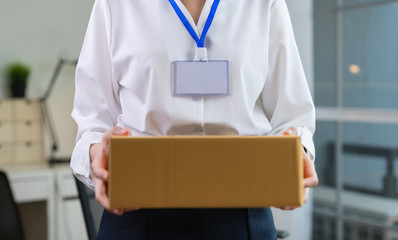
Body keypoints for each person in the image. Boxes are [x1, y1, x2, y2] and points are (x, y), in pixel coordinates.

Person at [70, 0, 318, 239]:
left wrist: (297, 153)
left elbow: (293, 117)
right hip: (137, 213)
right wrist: (97, 152)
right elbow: (92, 122)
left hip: (242, 215)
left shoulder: (265, 3)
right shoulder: (115, 4)